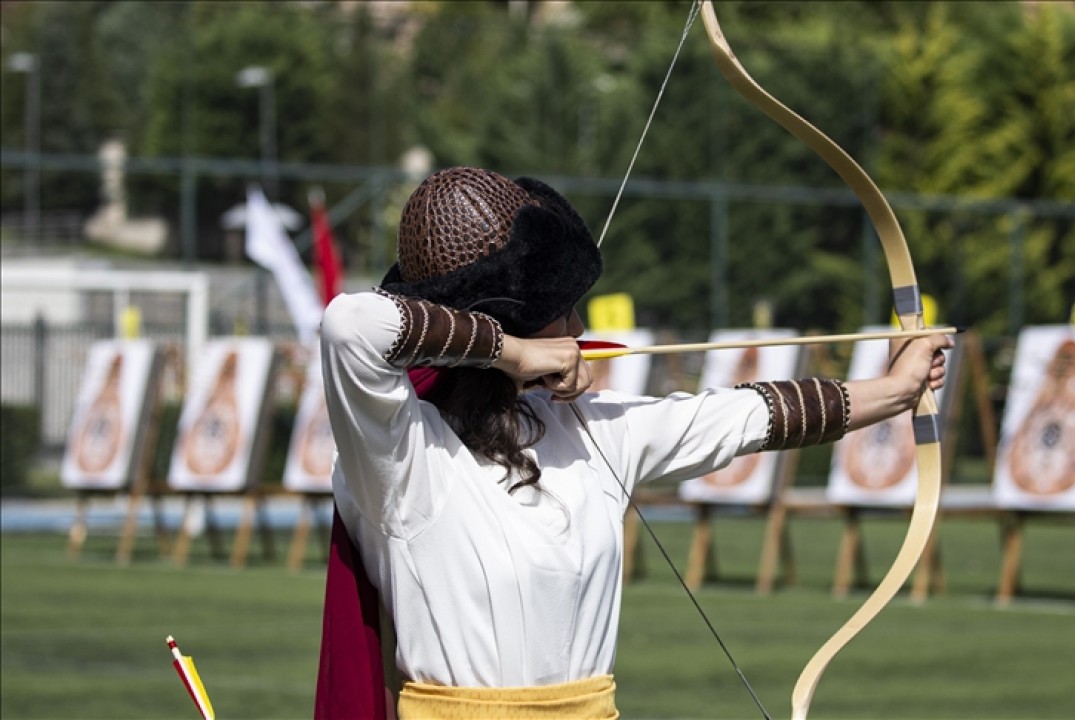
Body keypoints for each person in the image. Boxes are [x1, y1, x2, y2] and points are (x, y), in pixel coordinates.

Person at [314, 166, 951, 719]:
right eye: (562, 309)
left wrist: (895, 392)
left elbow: (741, 416)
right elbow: (351, 325)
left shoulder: (594, 429)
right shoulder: (400, 460)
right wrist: (512, 352)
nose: (580, 327)